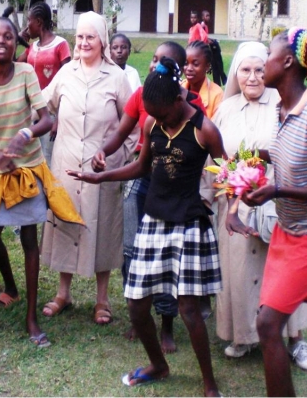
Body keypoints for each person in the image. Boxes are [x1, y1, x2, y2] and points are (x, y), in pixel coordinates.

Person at [68, 56, 225, 396]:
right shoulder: (152, 123)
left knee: (188, 309)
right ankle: (159, 365)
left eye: (164, 113)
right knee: (136, 303)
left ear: (179, 99)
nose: (159, 120)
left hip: (188, 224)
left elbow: (227, 172)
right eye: (153, 114)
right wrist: (100, 176)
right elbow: (141, 168)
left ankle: (209, 384)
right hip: (154, 220)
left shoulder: (204, 129)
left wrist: (237, 199)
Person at [0, 16, 83, 346]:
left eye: (8, 36)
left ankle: (32, 319)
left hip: (29, 171)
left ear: (15, 43)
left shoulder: (25, 73)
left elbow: (46, 119)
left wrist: (25, 134)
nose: (1, 41)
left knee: (29, 241)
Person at [242, 28, 307, 397]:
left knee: (269, 326)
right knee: (267, 322)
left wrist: (278, 189)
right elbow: (287, 155)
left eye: (268, 56)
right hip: (289, 227)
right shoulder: (281, 107)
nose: (261, 64)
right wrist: (253, 162)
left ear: (287, 62)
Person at [211, 41, 307, 369]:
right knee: (241, 272)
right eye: (246, 70)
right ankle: (244, 336)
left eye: (260, 69)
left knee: (286, 273)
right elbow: (216, 158)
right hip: (237, 207)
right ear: (236, 73)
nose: (254, 77)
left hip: (281, 203)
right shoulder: (226, 109)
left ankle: (296, 339)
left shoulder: (284, 105)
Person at [93, 40, 204, 353]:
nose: (155, 64)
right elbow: (121, 131)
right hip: (140, 180)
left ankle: (167, 324)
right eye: (153, 58)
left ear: (178, 69)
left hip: (172, 190)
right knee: (132, 251)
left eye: (163, 60)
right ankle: (139, 315)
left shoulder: (191, 105)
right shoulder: (141, 95)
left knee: (168, 259)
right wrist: (103, 151)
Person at [40, 10, 135, 325]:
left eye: (90, 37)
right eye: (79, 37)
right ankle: (63, 293)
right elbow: (43, 104)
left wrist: (121, 155)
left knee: (103, 227)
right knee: (67, 222)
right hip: (66, 163)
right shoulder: (66, 73)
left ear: (102, 40)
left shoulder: (117, 77)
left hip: (102, 168)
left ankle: (102, 299)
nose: (83, 42)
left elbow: (132, 120)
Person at [19, 2, 71, 163]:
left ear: (39, 22)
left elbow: (68, 82)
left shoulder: (60, 45)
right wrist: (17, 41)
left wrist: (59, 120)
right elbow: (12, 65)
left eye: (29, 21)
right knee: (30, 159)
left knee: (47, 160)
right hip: (31, 111)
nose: (27, 26)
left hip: (51, 112)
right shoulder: (32, 47)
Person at [182, 40, 223, 119]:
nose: (189, 68)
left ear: (207, 66)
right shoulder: (178, 89)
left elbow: (216, 128)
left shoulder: (217, 95)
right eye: (185, 63)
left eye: (195, 64)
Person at [201, 10, 226, 85]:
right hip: (203, 48)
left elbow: (206, 38)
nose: (208, 17)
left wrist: (212, 40)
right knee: (216, 62)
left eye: (209, 16)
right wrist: (211, 42)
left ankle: (220, 79)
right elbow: (203, 39)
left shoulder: (205, 26)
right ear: (202, 17)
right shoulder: (202, 26)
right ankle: (222, 78)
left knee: (217, 62)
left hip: (207, 46)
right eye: (206, 16)